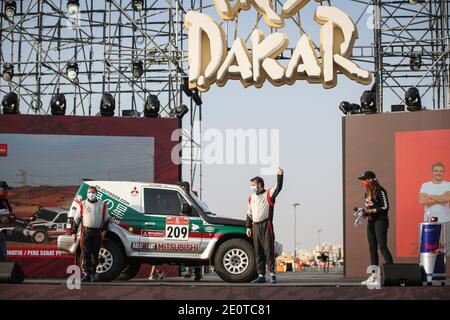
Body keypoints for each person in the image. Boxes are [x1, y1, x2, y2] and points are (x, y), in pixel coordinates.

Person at [246, 167, 284, 284]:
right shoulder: (251, 197)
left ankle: (272, 275)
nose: (252, 186)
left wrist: (280, 176)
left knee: (269, 250)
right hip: (255, 226)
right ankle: (261, 275)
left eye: (253, 184)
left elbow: (278, 187)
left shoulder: (268, 194)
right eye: (251, 184)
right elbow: (249, 213)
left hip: (266, 225)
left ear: (260, 185)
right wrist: (248, 226)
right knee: (258, 251)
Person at [358, 171, 393, 286]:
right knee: (372, 249)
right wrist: (363, 214)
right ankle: (374, 276)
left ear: (370, 180)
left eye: (364, 180)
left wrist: (371, 211)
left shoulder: (380, 190)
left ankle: (392, 274)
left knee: (382, 247)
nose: (362, 182)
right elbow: (368, 209)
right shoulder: (366, 193)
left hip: (381, 221)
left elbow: (385, 207)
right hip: (371, 223)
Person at [72, 186, 109, 282]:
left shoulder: (103, 205)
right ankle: (86, 274)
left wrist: (104, 231)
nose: (91, 193)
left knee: (95, 254)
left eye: (93, 192)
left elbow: (106, 219)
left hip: (97, 232)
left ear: (96, 193)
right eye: (89, 192)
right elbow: (76, 219)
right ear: (87, 193)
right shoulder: (82, 204)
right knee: (85, 253)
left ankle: (92, 274)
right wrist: (74, 232)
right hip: (86, 232)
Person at [419, 162, 450, 255]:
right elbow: (422, 201)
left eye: (441, 171)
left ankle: (447, 268)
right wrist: (441, 197)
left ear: (444, 172)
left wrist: (431, 196)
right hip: (429, 221)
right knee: (430, 247)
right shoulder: (425, 185)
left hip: (446, 220)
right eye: (436, 171)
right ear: (432, 173)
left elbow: (447, 199)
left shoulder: (448, 184)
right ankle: (431, 268)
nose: (438, 173)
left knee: (446, 247)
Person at [0, 182, 14, 262]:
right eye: (5, 190)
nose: (6, 192)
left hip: (3, 230)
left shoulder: (5, 200)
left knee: (3, 252)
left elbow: (10, 213)